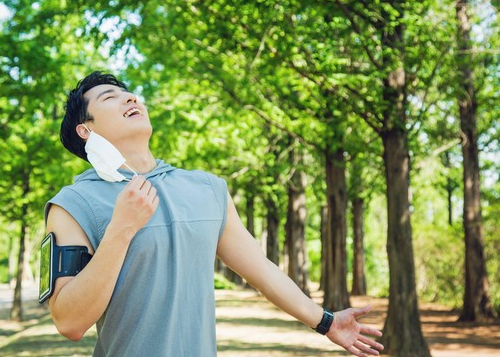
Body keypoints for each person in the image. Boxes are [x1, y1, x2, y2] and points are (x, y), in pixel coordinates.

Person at [44, 71, 384, 357]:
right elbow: (69, 322)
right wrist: (121, 229)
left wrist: (325, 321)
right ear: (85, 130)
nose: (130, 98)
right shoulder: (72, 204)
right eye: (109, 98)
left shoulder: (207, 189)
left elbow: (262, 270)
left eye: (129, 93)